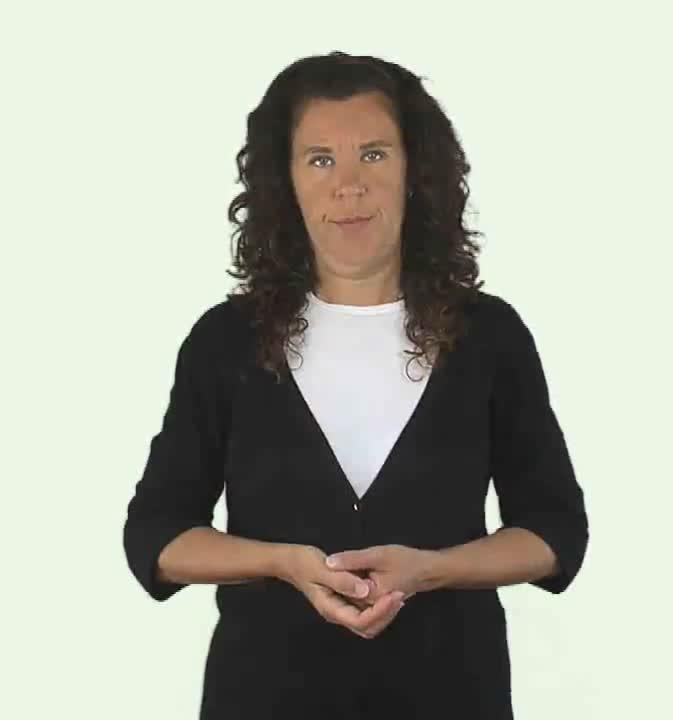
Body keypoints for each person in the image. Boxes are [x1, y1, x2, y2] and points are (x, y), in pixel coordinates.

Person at [123, 51, 589, 719]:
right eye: (320, 159)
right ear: (285, 181)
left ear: (414, 172)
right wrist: (281, 562)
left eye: (373, 154)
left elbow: (555, 532)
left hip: (451, 697)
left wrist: (431, 569)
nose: (349, 185)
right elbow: (157, 537)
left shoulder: (490, 336)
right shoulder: (225, 342)